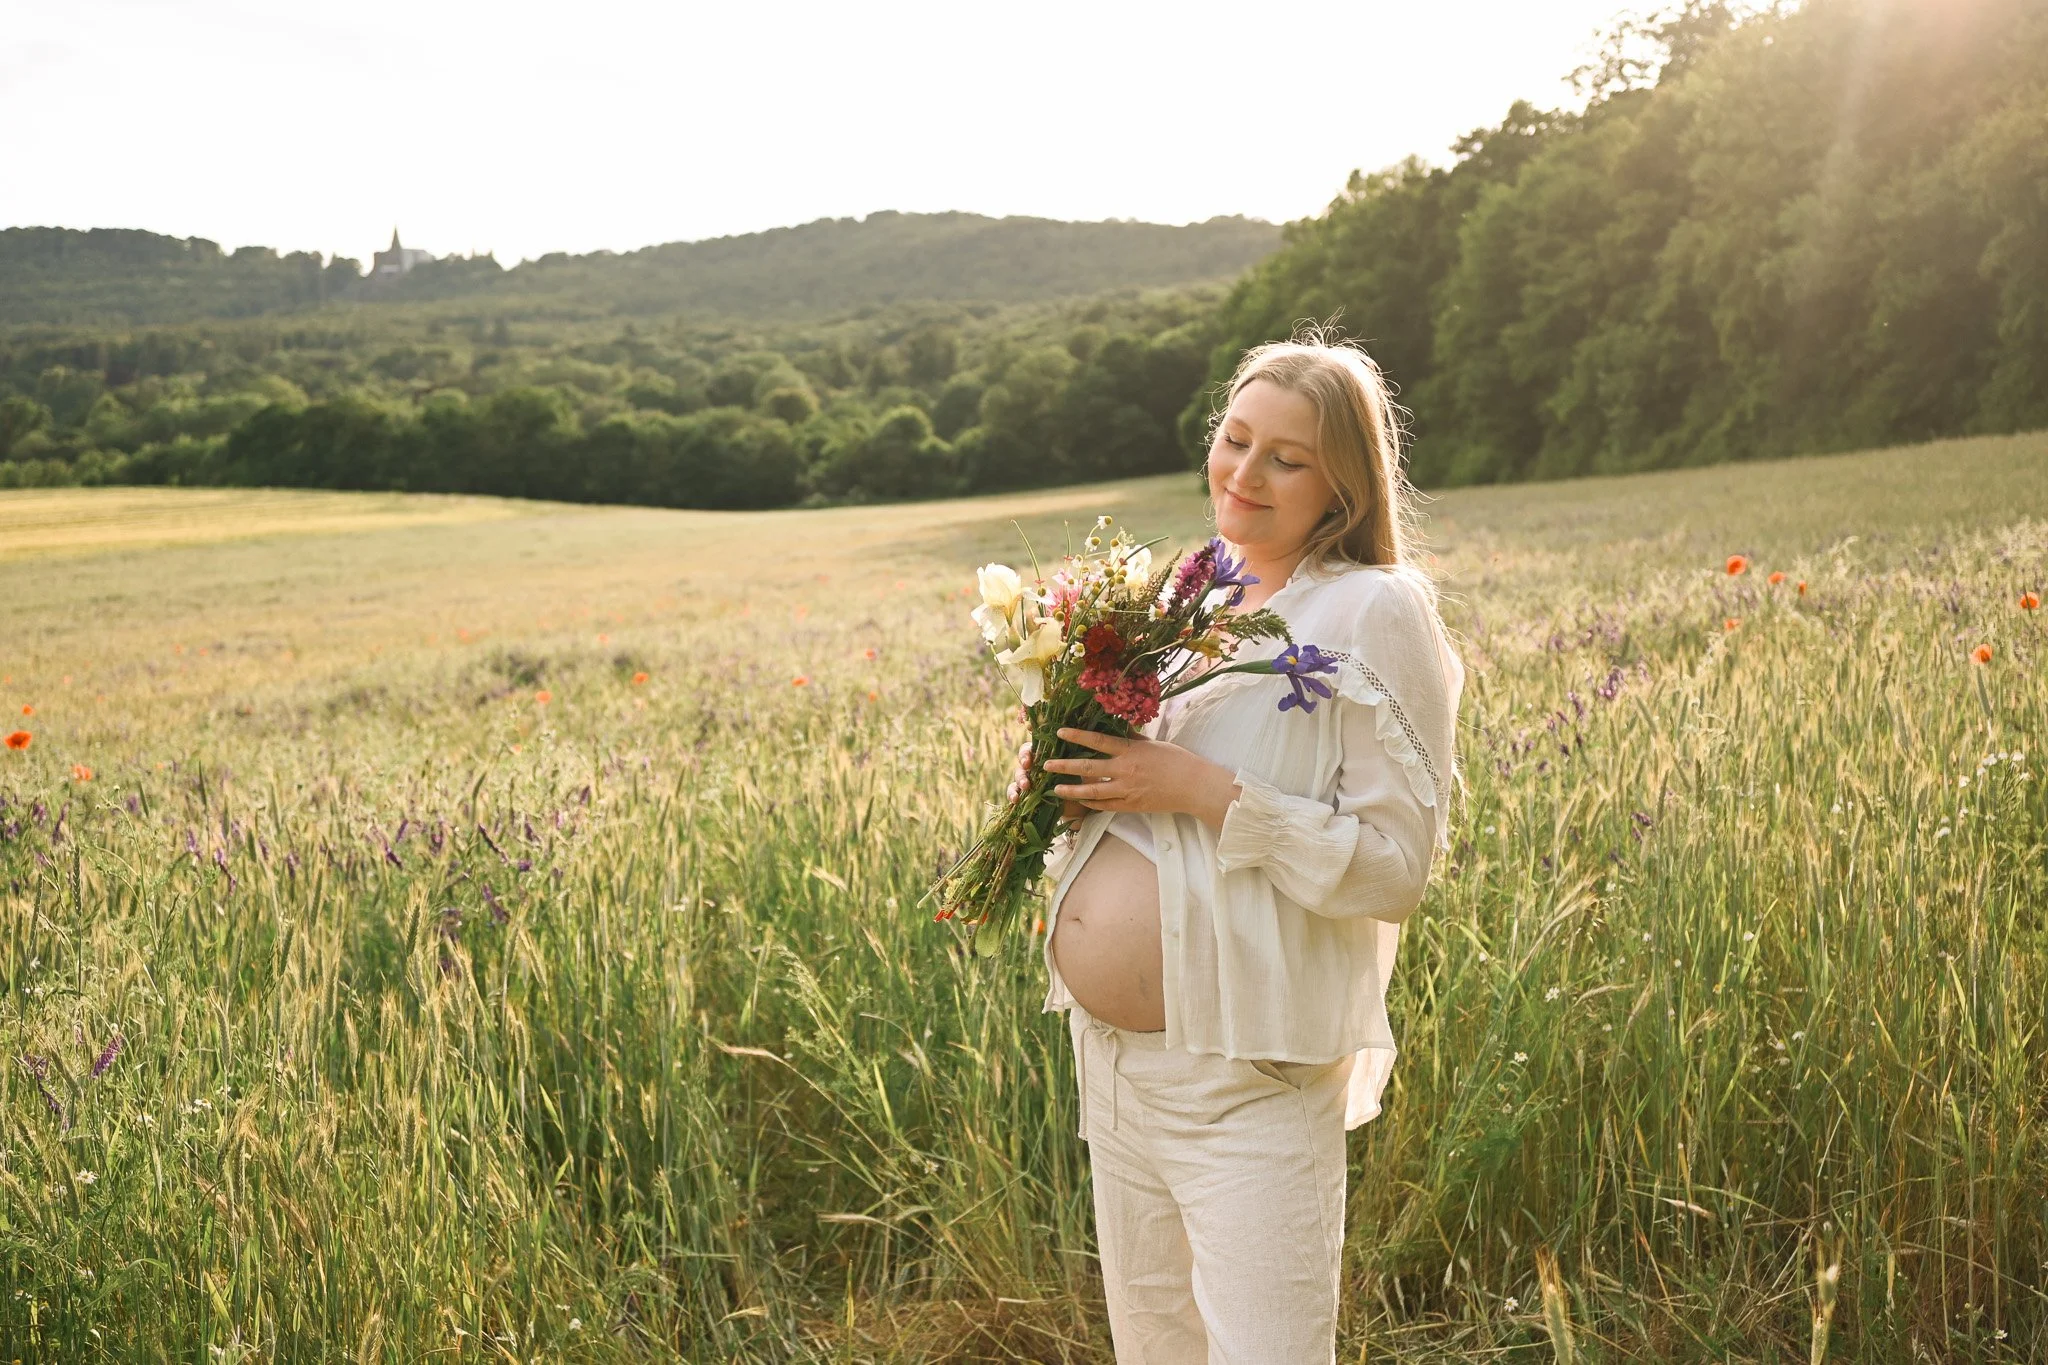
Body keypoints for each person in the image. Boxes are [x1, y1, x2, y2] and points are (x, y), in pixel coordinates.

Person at [1022, 331, 1465, 1364]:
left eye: (1286, 457)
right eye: (1234, 439)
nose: (1244, 472)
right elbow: (1147, 812)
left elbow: (1395, 870)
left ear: (1342, 485)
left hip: (1248, 1079)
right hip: (1122, 1074)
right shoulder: (1193, 604)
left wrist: (1205, 791)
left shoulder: (1370, 608)